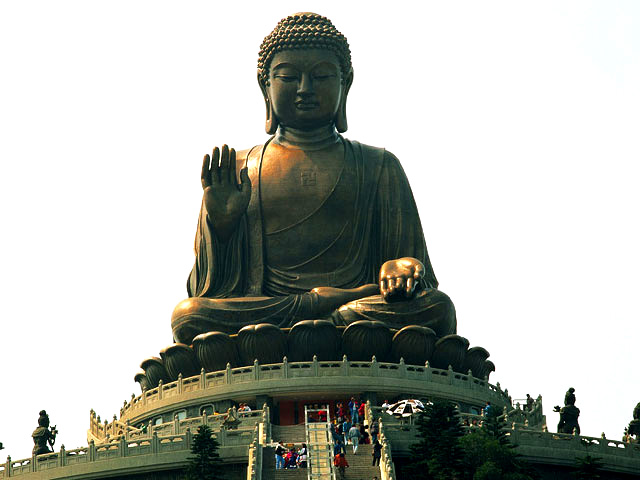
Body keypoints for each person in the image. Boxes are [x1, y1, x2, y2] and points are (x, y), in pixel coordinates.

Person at [170, 12, 457, 346]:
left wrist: (403, 267)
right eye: (289, 77)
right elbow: (207, 290)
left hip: (351, 311)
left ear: (345, 84)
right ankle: (327, 323)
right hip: (274, 313)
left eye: (321, 76)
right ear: (266, 86)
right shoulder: (237, 168)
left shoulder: (379, 166)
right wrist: (222, 229)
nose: (305, 89)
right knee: (189, 315)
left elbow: (414, 275)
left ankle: (325, 324)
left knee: (436, 309)